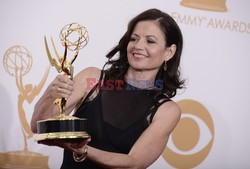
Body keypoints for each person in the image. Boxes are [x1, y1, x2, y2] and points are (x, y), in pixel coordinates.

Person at [31, 8, 184, 169]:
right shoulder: (92, 79)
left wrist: (83, 149)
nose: (138, 46)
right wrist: (50, 94)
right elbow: (38, 126)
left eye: (150, 41)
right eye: (133, 39)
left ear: (169, 52)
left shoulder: (167, 110)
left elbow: (134, 163)